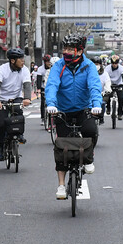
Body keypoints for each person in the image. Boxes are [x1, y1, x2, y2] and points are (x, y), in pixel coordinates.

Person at [44, 34, 103, 199]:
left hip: (84, 109)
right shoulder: (59, 66)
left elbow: (94, 86)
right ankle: (61, 185)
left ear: (79, 51)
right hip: (62, 110)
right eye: (65, 48)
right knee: (61, 148)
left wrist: (96, 105)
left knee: (91, 130)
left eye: (70, 49)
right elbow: (52, 85)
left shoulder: (89, 66)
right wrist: (51, 104)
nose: (66, 52)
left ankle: (89, 158)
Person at [0, 48, 32, 161]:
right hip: (2, 99)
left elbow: (27, 85)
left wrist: (27, 98)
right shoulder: (1, 70)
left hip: (17, 97)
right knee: (0, 123)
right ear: (13, 61)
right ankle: (0, 147)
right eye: (21, 59)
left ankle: (19, 135)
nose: (23, 61)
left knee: (19, 114)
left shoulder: (24, 70)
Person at [102, 55, 123, 120]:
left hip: (119, 84)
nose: (114, 65)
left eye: (116, 63)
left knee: (121, 98)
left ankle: (120, 113)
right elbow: (105, 77)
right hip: (110, 84)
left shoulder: (121, 68)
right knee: (107, 96)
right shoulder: (107, 68)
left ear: (118, 63)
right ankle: (108, 108)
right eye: (113, 63)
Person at [35, 54, 53, 119]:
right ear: (44, 62)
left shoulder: (53, 68)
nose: (49, 63)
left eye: (49, 62)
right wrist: (39, 89)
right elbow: (39, 79)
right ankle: (43, 117)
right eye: (47, 62)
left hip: (51, 87)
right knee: (43, 102)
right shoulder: (40, 69)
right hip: (44, 87)